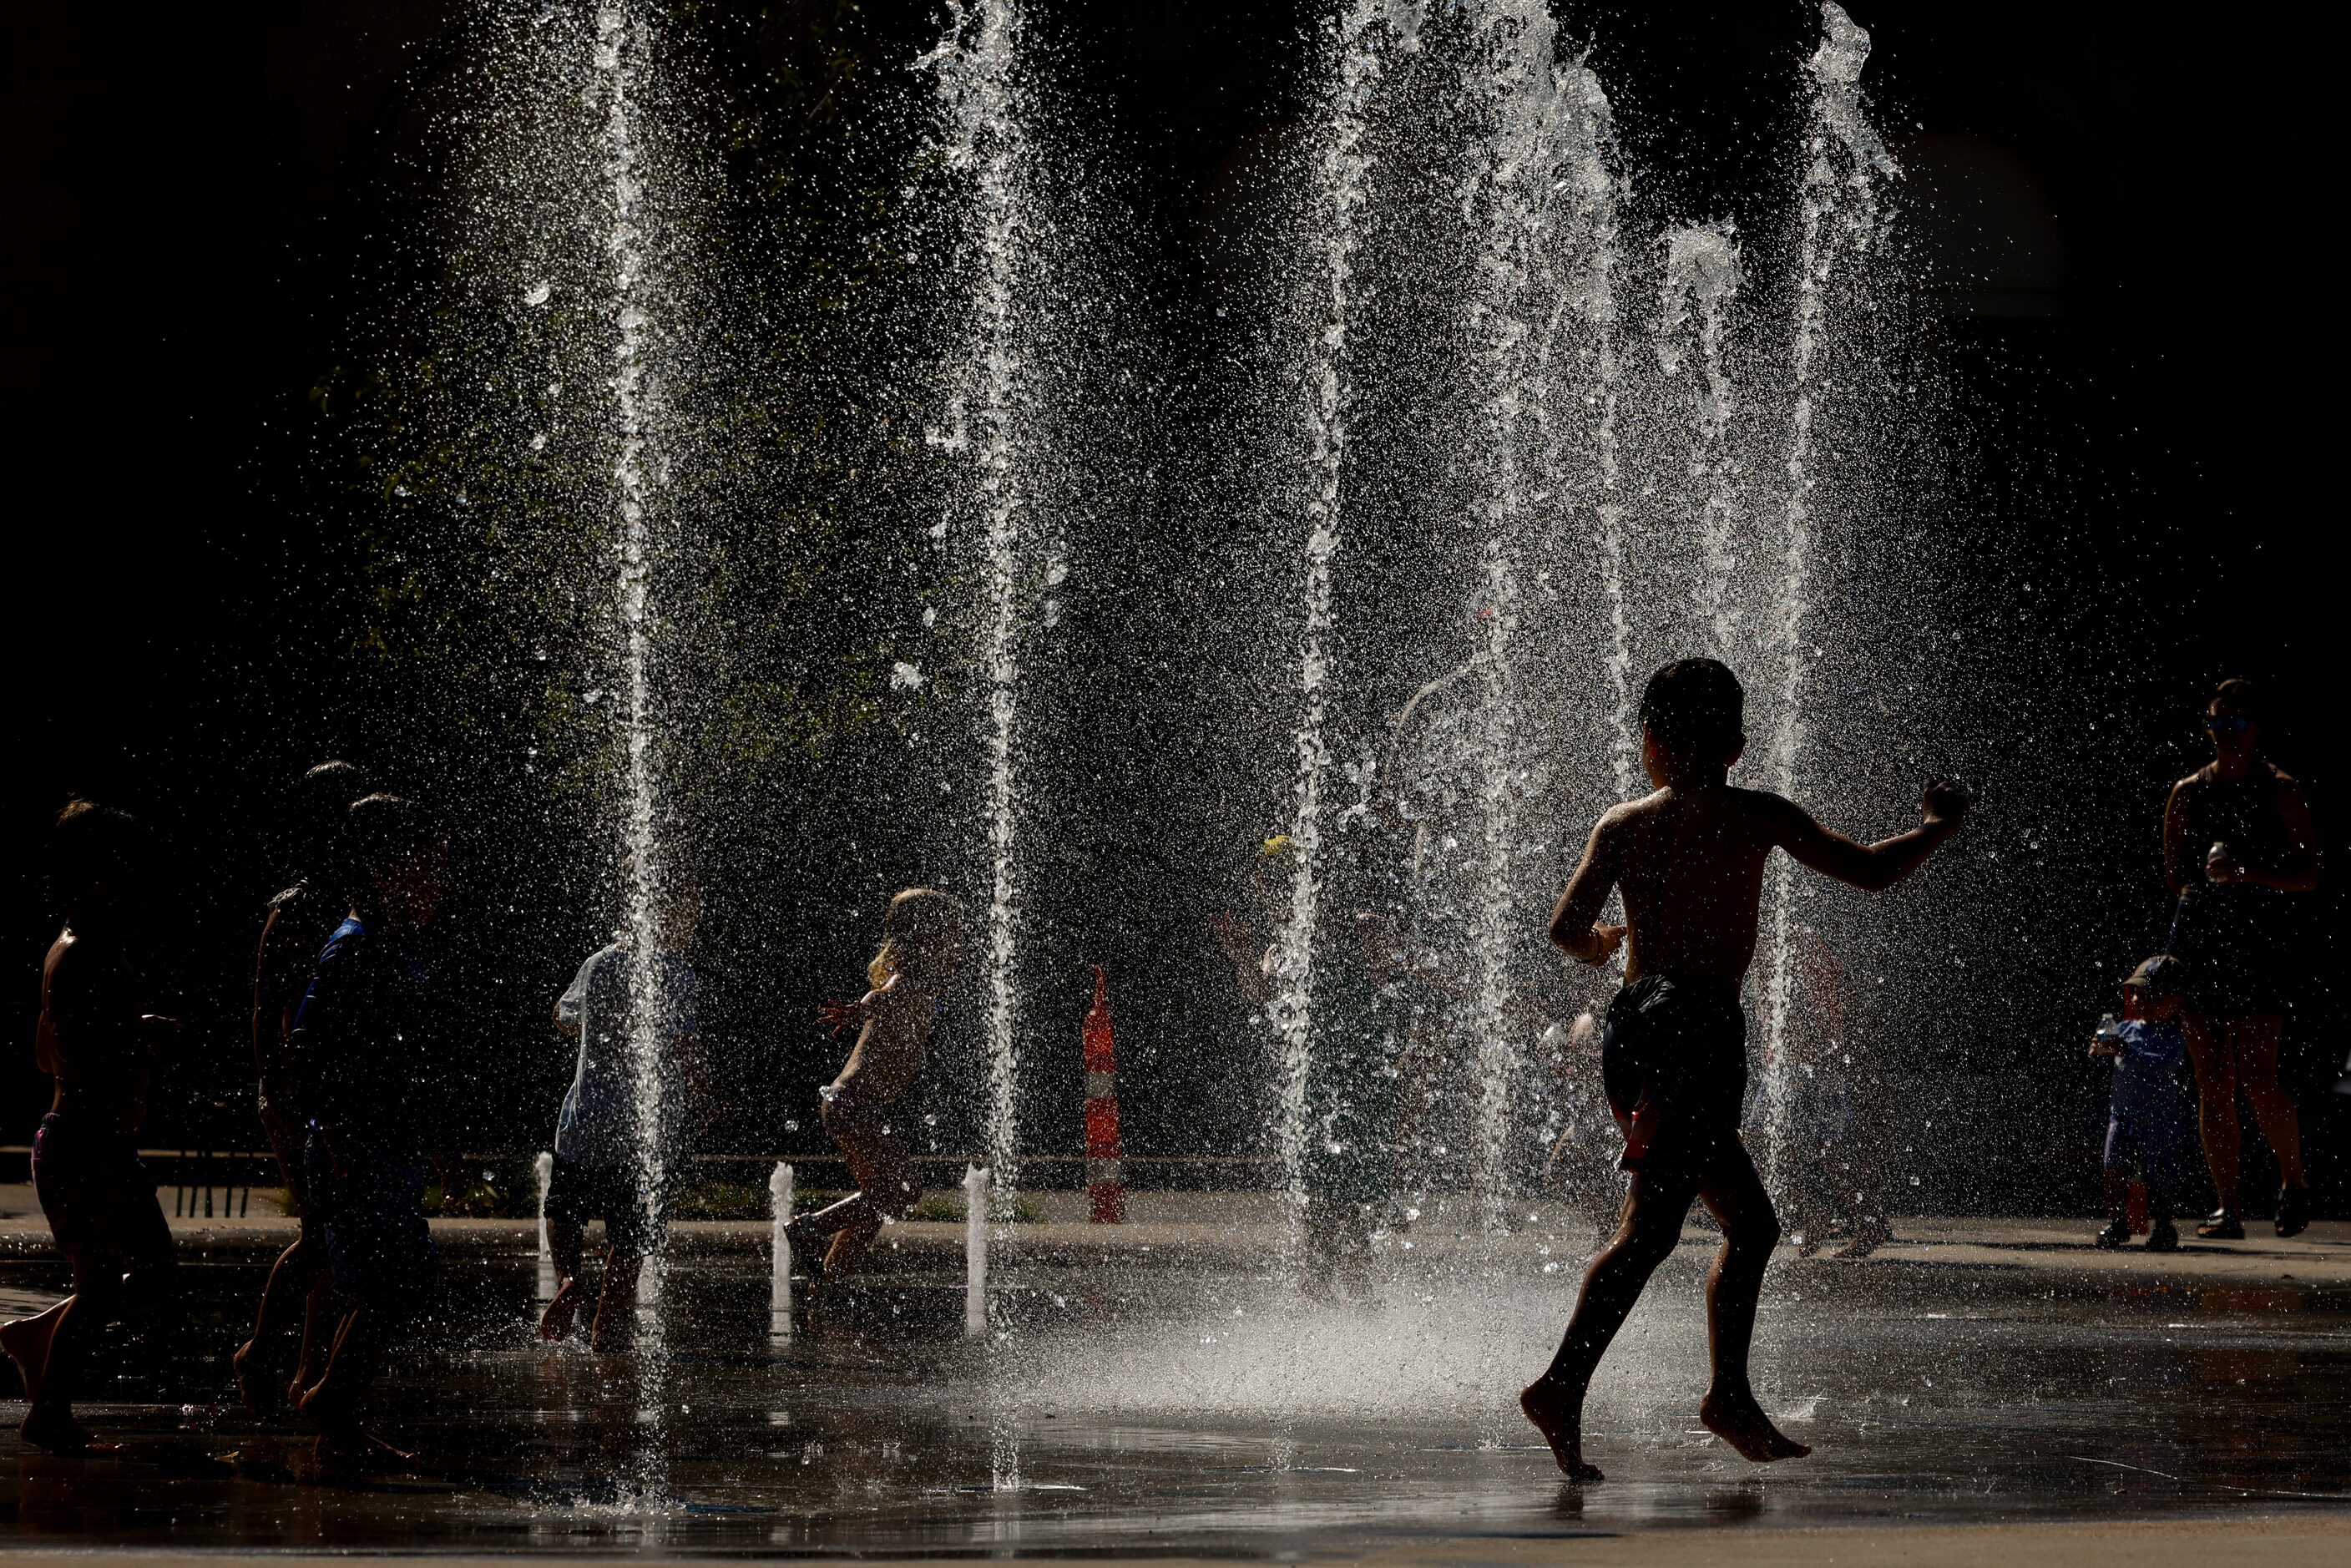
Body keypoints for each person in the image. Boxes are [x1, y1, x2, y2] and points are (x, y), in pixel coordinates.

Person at [1522, 658, 1968, 1481]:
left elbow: (1564, 927)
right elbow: (1869, 870)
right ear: (1732, 744)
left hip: (1635, 1032)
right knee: (1652, 1230)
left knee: (1741, 1226)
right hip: (1693, 1032)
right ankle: (1571, 1385)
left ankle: (1708, 1394)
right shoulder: (1755, 814)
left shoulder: (1619, 825)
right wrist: (1937, 826)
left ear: (1648, 742)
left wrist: (1597, 949)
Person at [0, 802, 180, 1454]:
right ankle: (49, 1411)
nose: (138, 892)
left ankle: (36, 1335)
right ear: (97, 878)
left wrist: (135, 1032)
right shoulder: (78, 954)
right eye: (126, 875)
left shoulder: (92, 949)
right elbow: (67, 1049)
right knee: (105, 1285)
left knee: (151, 1277)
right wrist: (134, 1031)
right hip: (82, 1145)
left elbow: (50, 1047)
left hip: (97, 1143)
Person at [284, 793, 449, 1468]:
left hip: (387, 1144)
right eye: (429, 868)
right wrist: (338, 1134)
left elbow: (404, 1053)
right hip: (360, 1148)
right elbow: (308, 1048)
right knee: (393, 1282)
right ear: (385, 871)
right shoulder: (351, 950)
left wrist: (433, 1135)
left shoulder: (388, 945)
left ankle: (338, 1412)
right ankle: (331, 1402)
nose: (440, 886)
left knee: (394, 1280)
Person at [234, 758, 372, 1413]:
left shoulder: (351, 903)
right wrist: (281, 1096)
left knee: (335, 1240)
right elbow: (266, 1012)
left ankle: (306, 1372)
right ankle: (264, 1357)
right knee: (323, 1236)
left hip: (332, 1095)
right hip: (299, 1095)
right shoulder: (294, 912)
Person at [2161, 678, 2317, 1239]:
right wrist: (2185, 936)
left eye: (2237, 723)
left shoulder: (2281, 790)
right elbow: (2175, 876)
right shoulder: (2188, 792)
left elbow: (2311, 876)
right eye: (2217, 724)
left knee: (2256, 1076)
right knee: (2212, 1080)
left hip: (2260, 945)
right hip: (2203, 946)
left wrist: (2249, 877)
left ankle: (2293, 1182)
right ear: (2207, 727)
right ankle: (2228, 1206)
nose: (2226, 735)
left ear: (2256, 727)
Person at [538, 876, 710, 1351]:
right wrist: (705, 1095)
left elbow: (561, 1015)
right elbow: (686, 1045)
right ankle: (605, 1328)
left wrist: (598, 1031)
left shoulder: (598, 962)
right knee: (631, 1233)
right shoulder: (675, 973)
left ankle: (569, 1279)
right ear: (662, 914)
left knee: (565, 1205)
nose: (692, 923)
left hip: (585, 1116)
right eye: (686, 912)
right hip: (640, 1128)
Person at [785, 889, 964, 1286]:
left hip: (856, 1106)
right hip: (854, 1105)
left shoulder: (922, 990)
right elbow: (881, 998)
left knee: (875, 1203)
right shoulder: (905, 984)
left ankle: (827, 1281)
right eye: (950, 938)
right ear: (923, 940)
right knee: (902, 1190)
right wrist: (860, 1009)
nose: (958, 948)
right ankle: (808, 1227)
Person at [2089, 957, 2188, 1252]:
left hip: (2158, 1118)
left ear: (2174, 1002)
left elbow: (2165, 1065)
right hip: (2121, 1116)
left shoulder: (2174, 1035)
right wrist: (2100, 1049)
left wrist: (2127, 1052)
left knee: (2158, 1175)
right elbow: (2109, 1051)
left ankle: (2164, 1225)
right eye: (2136, 994)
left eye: (2148, 996)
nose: (2137, 1000)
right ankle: (2117, 1221)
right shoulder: (2127, 1028)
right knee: (2114, 1168)